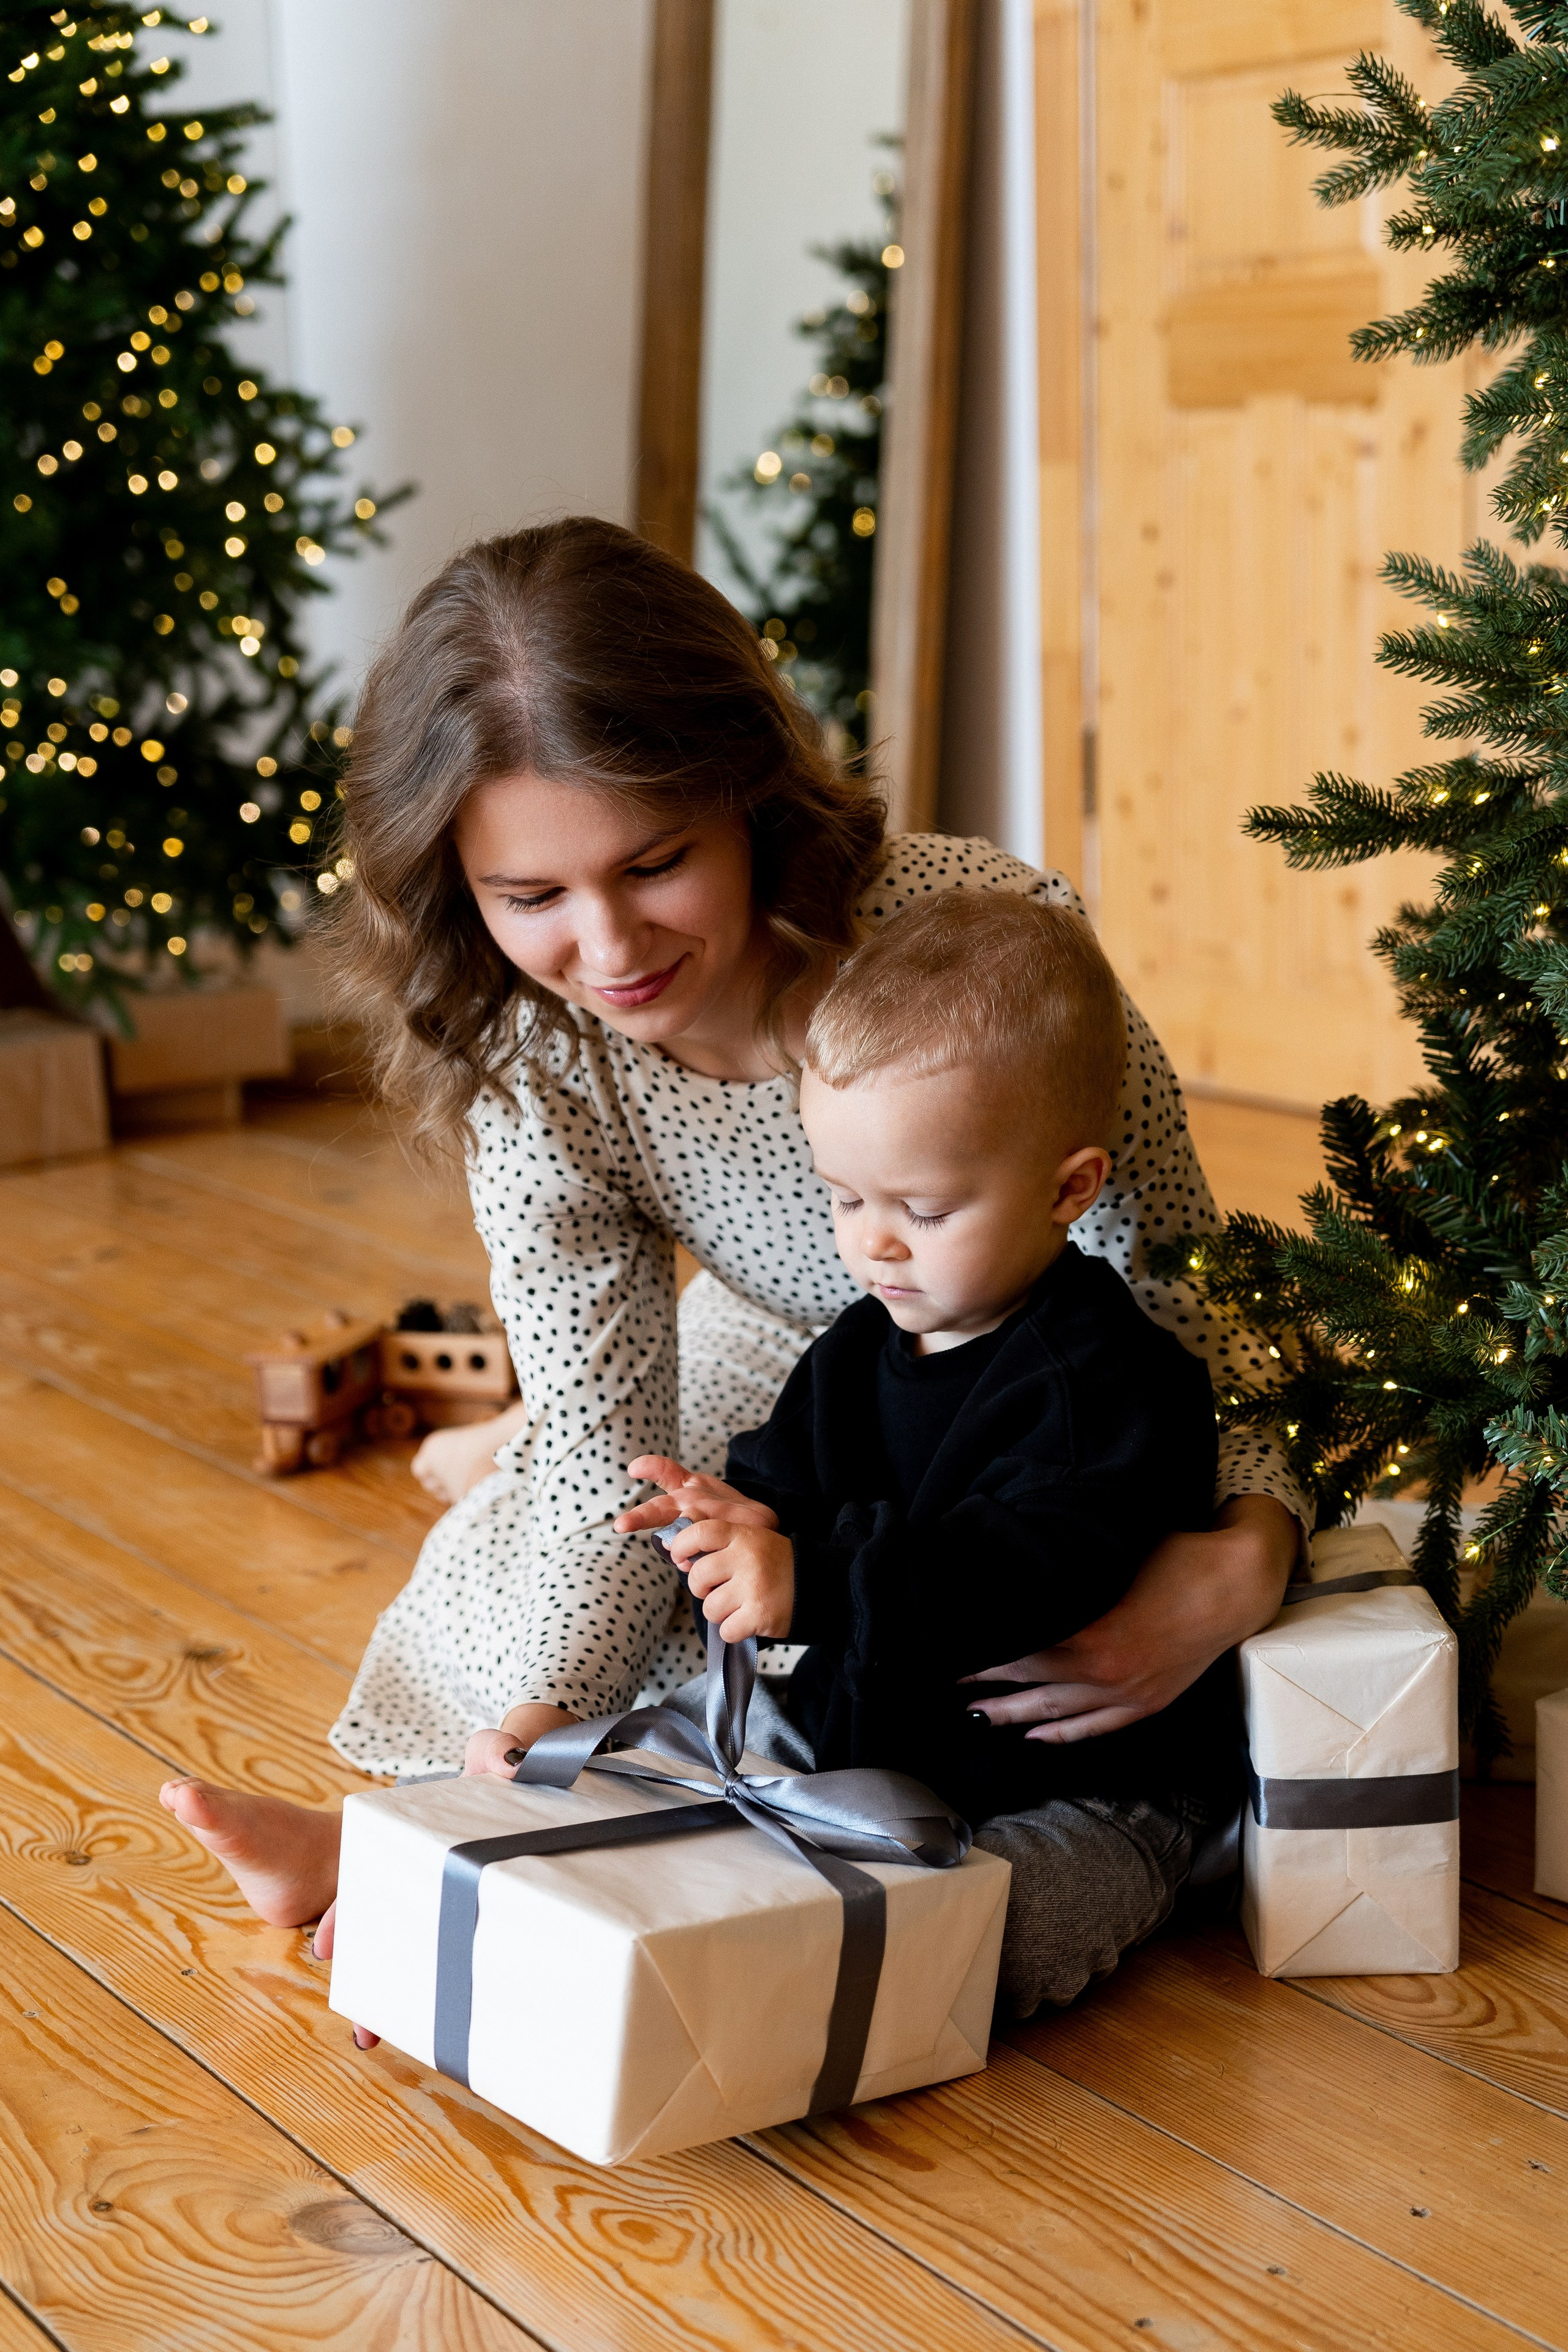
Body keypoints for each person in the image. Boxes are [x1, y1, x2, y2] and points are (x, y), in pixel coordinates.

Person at [158, 516, 1302, 1979]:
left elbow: (1191, 1301)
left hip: (1036, 1366)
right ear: (455, 889)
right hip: (800, 1358)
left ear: (748, 794)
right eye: (531, 901)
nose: (609, 944)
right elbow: (599, 1452)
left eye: (654, 864)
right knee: (617, 1569)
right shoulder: (537, 1059)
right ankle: (408, 1843)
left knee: (954, 1607)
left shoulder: (982, 944)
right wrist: (541, 1723)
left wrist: (1236, 1561)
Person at [617, 892, 1238, 2011]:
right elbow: (795, 1467)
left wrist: (808, 1579)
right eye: (845, 1198)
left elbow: (1016, 1574)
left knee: (996, 1942)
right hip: (878, 1747)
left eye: (926, 1208)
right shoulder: (866, 1340)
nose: (874, 1242)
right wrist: (742, 1513)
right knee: (676, 1800)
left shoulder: (1105, 1379)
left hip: (1078, 1786)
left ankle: (802, 1982)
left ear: (1069, 1189)